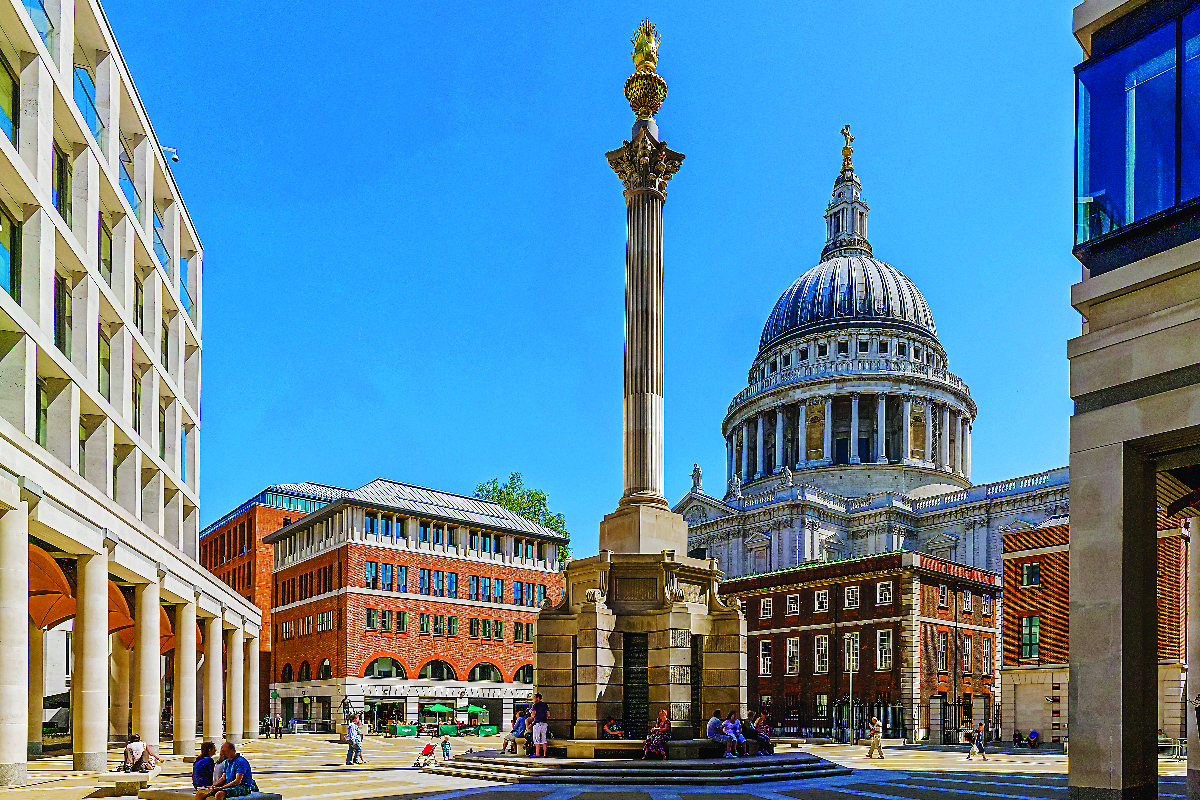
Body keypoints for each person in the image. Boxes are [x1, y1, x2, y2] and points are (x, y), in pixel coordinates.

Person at [530, 693, 550, 758]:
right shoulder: (545, 705)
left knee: (536, 738)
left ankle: (537, 754)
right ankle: (545, 754)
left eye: (534, 697)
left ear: (538, 698)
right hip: (544, 723)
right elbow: (548, 714)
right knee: (544, 738)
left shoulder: (535, 705)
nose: (534, 699)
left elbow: (533, 714)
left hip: (537, 723)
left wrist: (532, 716)